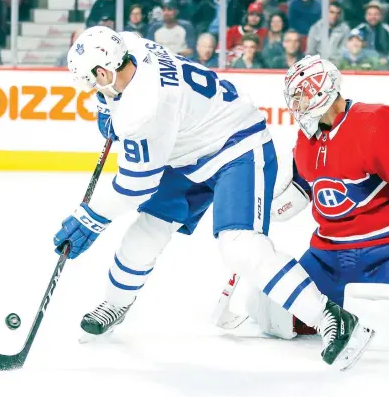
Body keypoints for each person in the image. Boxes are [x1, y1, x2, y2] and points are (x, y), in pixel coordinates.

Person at [54, 26, 372, 369]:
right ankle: (115, 303)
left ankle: (331, 318)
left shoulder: (143, 110)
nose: (90, 90)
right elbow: (121, 91)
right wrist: (108, 103)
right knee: (148, 228)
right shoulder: (128, 45)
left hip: (237, 146)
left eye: (91, 81)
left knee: (240, 247)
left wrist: (90, 217)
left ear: (104, 71)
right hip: (187, 147)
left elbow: (136, 185)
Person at [222, 54, 382, 349]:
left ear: (322, 88)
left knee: (379, 314)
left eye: (301, 94)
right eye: (293, 97)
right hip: (328, 256)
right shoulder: (306, 140)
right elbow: (299, 198)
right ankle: (340, 315)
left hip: (380, 252)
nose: (296, 105)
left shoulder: (375, 124)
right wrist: (265, 208)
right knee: (266, 306)